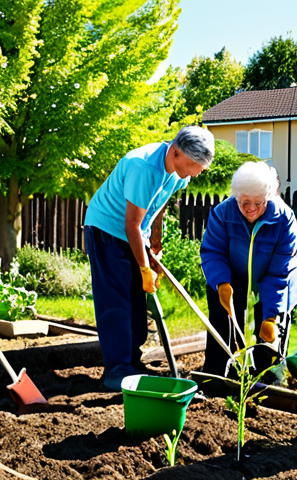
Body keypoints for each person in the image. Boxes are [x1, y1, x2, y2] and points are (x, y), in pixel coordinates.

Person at [84, 126, 215, 391]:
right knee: (117, 302)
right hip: (107, 230)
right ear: (176, 152)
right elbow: (131, 224)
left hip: (134, 232)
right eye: (194, 165)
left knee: (136, 301)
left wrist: (154, 245)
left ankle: (131, 364)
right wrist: (145, 269)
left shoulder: (179, 170)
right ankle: (117, 371)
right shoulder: (144, 168)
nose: (197, 171)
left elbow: (159, 204)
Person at [200, 161, 297, 388]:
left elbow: (278, 273)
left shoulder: (284, 219)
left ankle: (268, 385)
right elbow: (213, 252)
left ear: (270, 196)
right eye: (245, 202)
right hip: (230, 279)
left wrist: (271, 315)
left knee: (270, 336)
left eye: (258, 202)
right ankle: (216, 380)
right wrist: (221, 283)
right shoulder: (222, 213)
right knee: (222, 324)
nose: (251, 208)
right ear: (236, 196)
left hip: (277, 280)